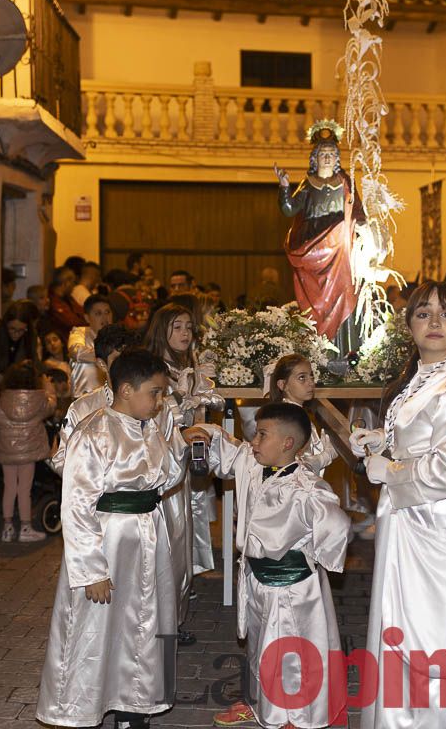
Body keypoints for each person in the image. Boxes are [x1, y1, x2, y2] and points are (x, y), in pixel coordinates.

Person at [350, 281, 446, 728]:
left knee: (433, 647)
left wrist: (391, 472)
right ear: (408, 324)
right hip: (415, 527)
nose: (434, 323)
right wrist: (386, 440)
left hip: (442, 534)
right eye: (423, 313)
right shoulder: (427, 373)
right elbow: (427, 434)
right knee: (404, 638)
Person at [36, 350, 206, 729]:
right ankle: (83, 705)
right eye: (156, 393)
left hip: (149, 533)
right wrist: (91, 569)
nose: (162, 401)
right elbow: (77, 504)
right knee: (100, 625)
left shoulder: (151, 426)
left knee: (147, 620)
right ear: (126, 389)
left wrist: (181, 447)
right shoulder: (94, 432)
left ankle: (137, 704)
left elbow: (164, 478)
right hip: (110, 538)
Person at [202, 403, 350, 729]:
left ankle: (295, 716)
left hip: (290, 587)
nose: (253, 441)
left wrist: (316, 554)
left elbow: (336, 523)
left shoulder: (304, 487)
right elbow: (228, 448)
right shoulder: (253, 465)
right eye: (255, 433)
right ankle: (261, 703)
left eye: (262, 435)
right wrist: (201, 432)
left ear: (287, 443)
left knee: (291, 652)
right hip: (257, 581)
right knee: (260, 647)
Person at [146, 303, 224, 639]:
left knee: (184, 530)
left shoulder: (189, 367)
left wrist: (202, 398)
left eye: (189, 327)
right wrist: (181, 401)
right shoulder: (154, 369)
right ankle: (163, 616)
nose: (184, 333)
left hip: (185, 458)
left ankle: (176, 606)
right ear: (161, 329)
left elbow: (207, 404)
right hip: (162, 463)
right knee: (168, 535)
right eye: (177, 326)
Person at [275, 121, 368, 343]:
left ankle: (345, 342)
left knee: (344, 292)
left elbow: (357, 211)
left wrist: (363, 226)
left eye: (331, 153)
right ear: (314, 158)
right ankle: (316, 342)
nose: (327, 157)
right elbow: (289, 209)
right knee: (315, 300)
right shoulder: (308, 184)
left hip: (340, 250)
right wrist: (284, 186)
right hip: (313, 248)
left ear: (337, 158)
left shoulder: (345, 182)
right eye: (322, 153)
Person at [48, 324, 138, 475]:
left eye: (132, 359)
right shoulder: (82, 407)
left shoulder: (153, 402)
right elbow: (62, 460)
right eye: (119, 359)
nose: (128, 366)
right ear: (102, 364)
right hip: (97, 493)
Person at [0, 360, 56, 543]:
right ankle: (25, 527)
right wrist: (49, 387)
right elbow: (51, 407)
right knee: (24, 489)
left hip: (6, 447)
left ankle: (7, 528)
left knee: (9, 487)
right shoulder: (40, 399)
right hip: (28, 449)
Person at [268, 353, 336, 474]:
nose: (310, 383)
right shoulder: (289, 419)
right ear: (282, 385)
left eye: (311, 377)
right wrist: (324, 457)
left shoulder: (295, 413)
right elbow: (290, 467)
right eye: (302, 378)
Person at [68, 295, 114, 397]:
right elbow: (76, 352)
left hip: (110, 400)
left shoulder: (116, 338)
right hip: (82, 400)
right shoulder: (79, 332)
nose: (105, 318)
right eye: (98, 313)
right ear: (87, 317)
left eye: (107, 312)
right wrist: (110, 355)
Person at [46, 267, 87, 346]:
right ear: (66, 282)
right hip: (63, 344)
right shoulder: (51, 301)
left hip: (77, 340)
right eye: (73, 282)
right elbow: (72, 323)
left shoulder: (69, 298)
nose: (74, 287)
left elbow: (84, 313)